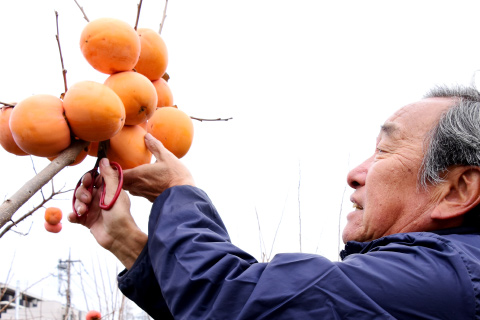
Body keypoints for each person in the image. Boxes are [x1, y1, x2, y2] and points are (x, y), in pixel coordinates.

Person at [69, 84, 480, 319]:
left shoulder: (443, 278)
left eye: (385, 152)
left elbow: (231, 302)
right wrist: (127, 242)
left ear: (459, 189)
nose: (355, 172)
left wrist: (175, 193)